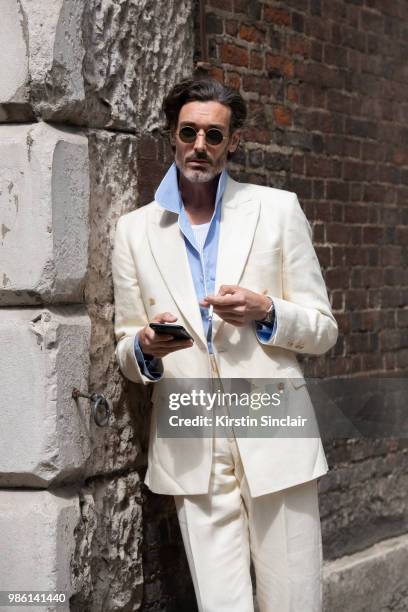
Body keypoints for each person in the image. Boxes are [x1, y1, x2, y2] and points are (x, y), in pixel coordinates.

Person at [112, 77, 338, 612]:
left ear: (232, 142)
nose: (199, 146)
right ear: (172, 133)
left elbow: (324, 329)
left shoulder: (277, 210)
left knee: (294, 602)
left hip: (276, 437)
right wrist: (145, 345)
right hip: (193, 445)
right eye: (189, 131)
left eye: (214, 135)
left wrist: (268, 312)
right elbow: (126, 350)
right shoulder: (133, 232)